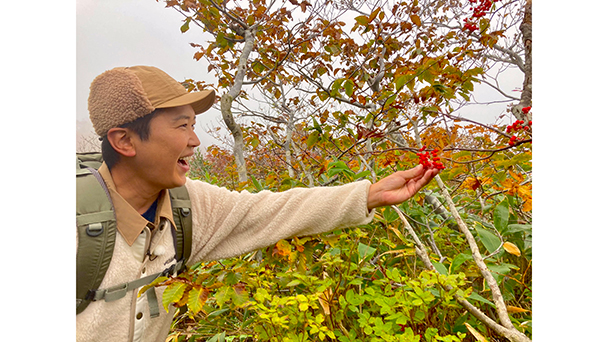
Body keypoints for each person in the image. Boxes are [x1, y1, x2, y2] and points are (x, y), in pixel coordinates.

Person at [77, 65, 441, 342]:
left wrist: (369, 194)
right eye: (181, 126)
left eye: (193, 125)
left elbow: (274, 211)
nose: (195, 141)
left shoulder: (189, 205)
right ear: (125, 141)